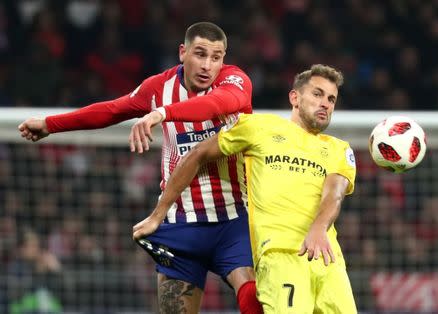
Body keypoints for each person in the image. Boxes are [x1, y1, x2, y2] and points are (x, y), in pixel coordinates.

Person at [18, 22, 262, 314]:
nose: (208, 65)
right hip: (179, 220)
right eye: (200, 54)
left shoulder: (234, 81)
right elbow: (111, 110)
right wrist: (49, 124)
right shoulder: (159, 87)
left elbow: (218, 104)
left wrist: (161, 114)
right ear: (182, 52)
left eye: (216, 57)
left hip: (233, 218)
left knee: (253, 297)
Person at [133, 64, 358, 313]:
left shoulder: (340, 149)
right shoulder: (258, 127)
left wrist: (318, 227)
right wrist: (159, 213)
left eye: (331, 99)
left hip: (328, 258)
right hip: (279, 256)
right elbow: (198, 153)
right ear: (295, 97)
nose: (325, 103)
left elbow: (334, 194)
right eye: (317, 94)